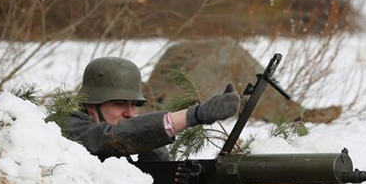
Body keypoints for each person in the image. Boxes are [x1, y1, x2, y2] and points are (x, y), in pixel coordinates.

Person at [60, 57, 240, 161]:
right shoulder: (64, 128)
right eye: (119, 103)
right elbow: (107, 138)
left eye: (135, 104)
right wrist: (194, 115)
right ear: (90, 104)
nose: (130, 113)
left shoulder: (141, 146)